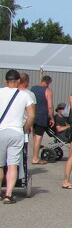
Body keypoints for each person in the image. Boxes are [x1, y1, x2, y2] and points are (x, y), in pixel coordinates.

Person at [0, 70, 35, 204]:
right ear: (19, 81)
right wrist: (24, 128)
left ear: (5, 80)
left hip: (1, 131)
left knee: (0, 165)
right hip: (16, 132)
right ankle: (8, 194)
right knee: (12, 165)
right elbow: (31, 115)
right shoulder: (25, 96)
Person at [29, 75, 54, 165]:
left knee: (34, 136)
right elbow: (50, 107)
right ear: (49, 83)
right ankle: (35, 158)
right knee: (38, 137)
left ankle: (35, 155)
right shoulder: (48, 91)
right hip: (41, 116)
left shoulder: (33, 88)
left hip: (32, 114)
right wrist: (52, 118)